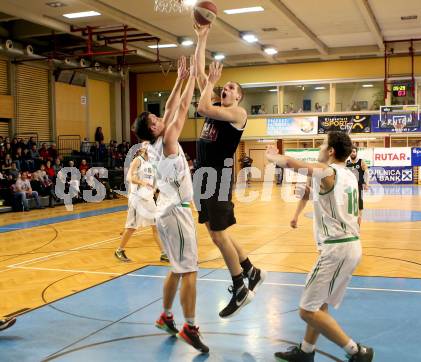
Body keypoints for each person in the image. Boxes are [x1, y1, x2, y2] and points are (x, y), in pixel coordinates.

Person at [265, 131, 374, 362]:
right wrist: (297, 212)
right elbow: (312, 191)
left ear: (331, 151)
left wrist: (273, 157)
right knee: (319, 304)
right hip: (350, 246)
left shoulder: (328, 171)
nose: (320, 148)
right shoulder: (350, 176)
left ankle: (356, 351)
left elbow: (293, 163)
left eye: (323, 144)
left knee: (306, 310)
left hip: (336, 249)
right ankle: (306, 351)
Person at [134, 55, 209, 353]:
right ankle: (190, 327)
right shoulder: (167, 142)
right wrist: (190, 79)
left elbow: (169, 108)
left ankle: (166, 317)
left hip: (166, 210)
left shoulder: (154, 143)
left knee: (178, 269)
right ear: (153, 131)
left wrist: (180, 77)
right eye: (154, 121)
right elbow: (178, 111)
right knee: (189, 269)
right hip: (176, 212)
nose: (159, 118)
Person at [194, 24, 266, 318]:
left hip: (217, 177)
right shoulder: (217, 102)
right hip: (203, 177)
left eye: (232, 88)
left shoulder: (237, 114)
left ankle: (239, 287)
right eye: (226, 86)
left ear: (238, 97)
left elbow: (201, 107)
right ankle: (251, 270)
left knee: (220, 234)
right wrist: (202, 39)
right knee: (215, 233)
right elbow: (201, 74)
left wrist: (209, 86)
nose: (226, 88)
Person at [114, 145, 157, 262]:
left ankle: (164, 253)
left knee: (157, 226)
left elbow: (154, 180)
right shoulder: (138, 160)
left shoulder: (152, 163)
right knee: (131, 227)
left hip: (149, 199)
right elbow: (129, 177)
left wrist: (154, 188)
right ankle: (119, 250)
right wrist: (142, 182)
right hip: (137, 199)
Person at [346, 146, 369, 225]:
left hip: (358, 186)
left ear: (356, 152)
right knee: (348, 206)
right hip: (348, 187)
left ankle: (358, 225)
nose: (352, 153)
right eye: (351, 152)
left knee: (360, 206)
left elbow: (367, 172)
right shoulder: (346, 162)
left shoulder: (361, 161)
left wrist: (367, 183)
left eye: (354, 151)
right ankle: (350, 224)